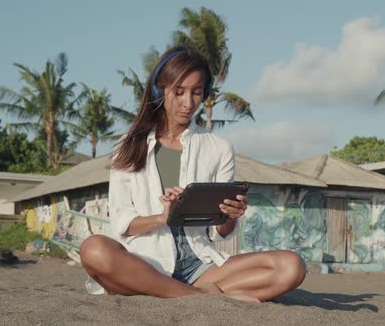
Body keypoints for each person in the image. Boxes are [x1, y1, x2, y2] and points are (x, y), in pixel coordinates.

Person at [79, 45, 306, 303]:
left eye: (196, 93)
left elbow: (220, 232)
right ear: (159, 90)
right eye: (179, 92)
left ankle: (179, 293)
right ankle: (200, 297)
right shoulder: (128, 146)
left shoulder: (218, 148)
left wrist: (231, 215)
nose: (188, 103)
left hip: (200, 265)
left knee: (292, 266)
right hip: (146, 264)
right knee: (93, 249)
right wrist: (162, 217)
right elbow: (122, 224)